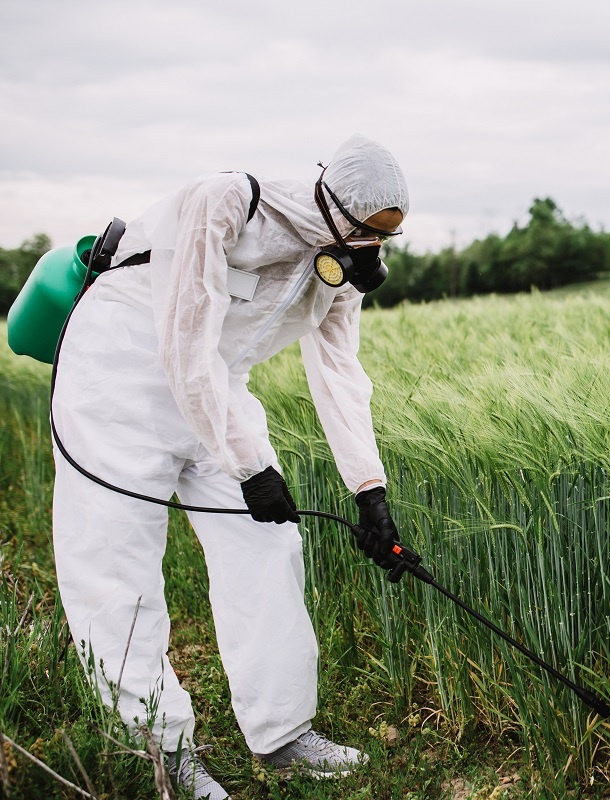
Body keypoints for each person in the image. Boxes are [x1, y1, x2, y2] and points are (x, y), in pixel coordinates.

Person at [51, 134, 410, 800]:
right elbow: (183, 340)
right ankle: (162, 754)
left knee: (270, 546)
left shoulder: (343, 265)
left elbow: (339, 373)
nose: (371, 252)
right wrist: (248, 465)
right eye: (365, 233)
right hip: (117, 383)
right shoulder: (227, 203)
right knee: (116, 568)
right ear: (331, 201)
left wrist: (370, 492)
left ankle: (284, 736)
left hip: (221, 388)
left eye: (385, 239)